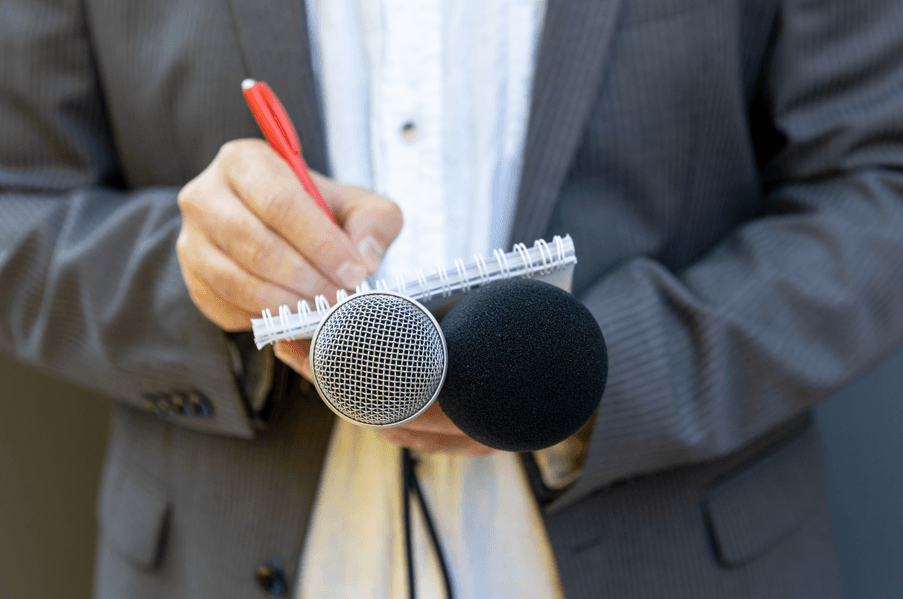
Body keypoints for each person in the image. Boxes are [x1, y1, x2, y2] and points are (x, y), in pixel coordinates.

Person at [2, 0, 903, 597]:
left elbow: (878, 183)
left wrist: (581, 371)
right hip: (220, 555)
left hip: (674, 556)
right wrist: (202, 274)